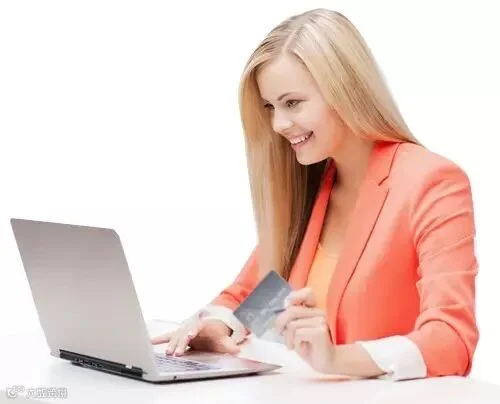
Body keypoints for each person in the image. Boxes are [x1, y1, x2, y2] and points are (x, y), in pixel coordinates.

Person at [151, 8, 479, 381]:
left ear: (345, 90)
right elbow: (254, 298)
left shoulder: (432, 182)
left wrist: (336, 359)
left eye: (292, 103)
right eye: (270, 107)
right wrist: (216, 327)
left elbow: (452, 340)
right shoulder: (313, 187)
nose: (278, 124)